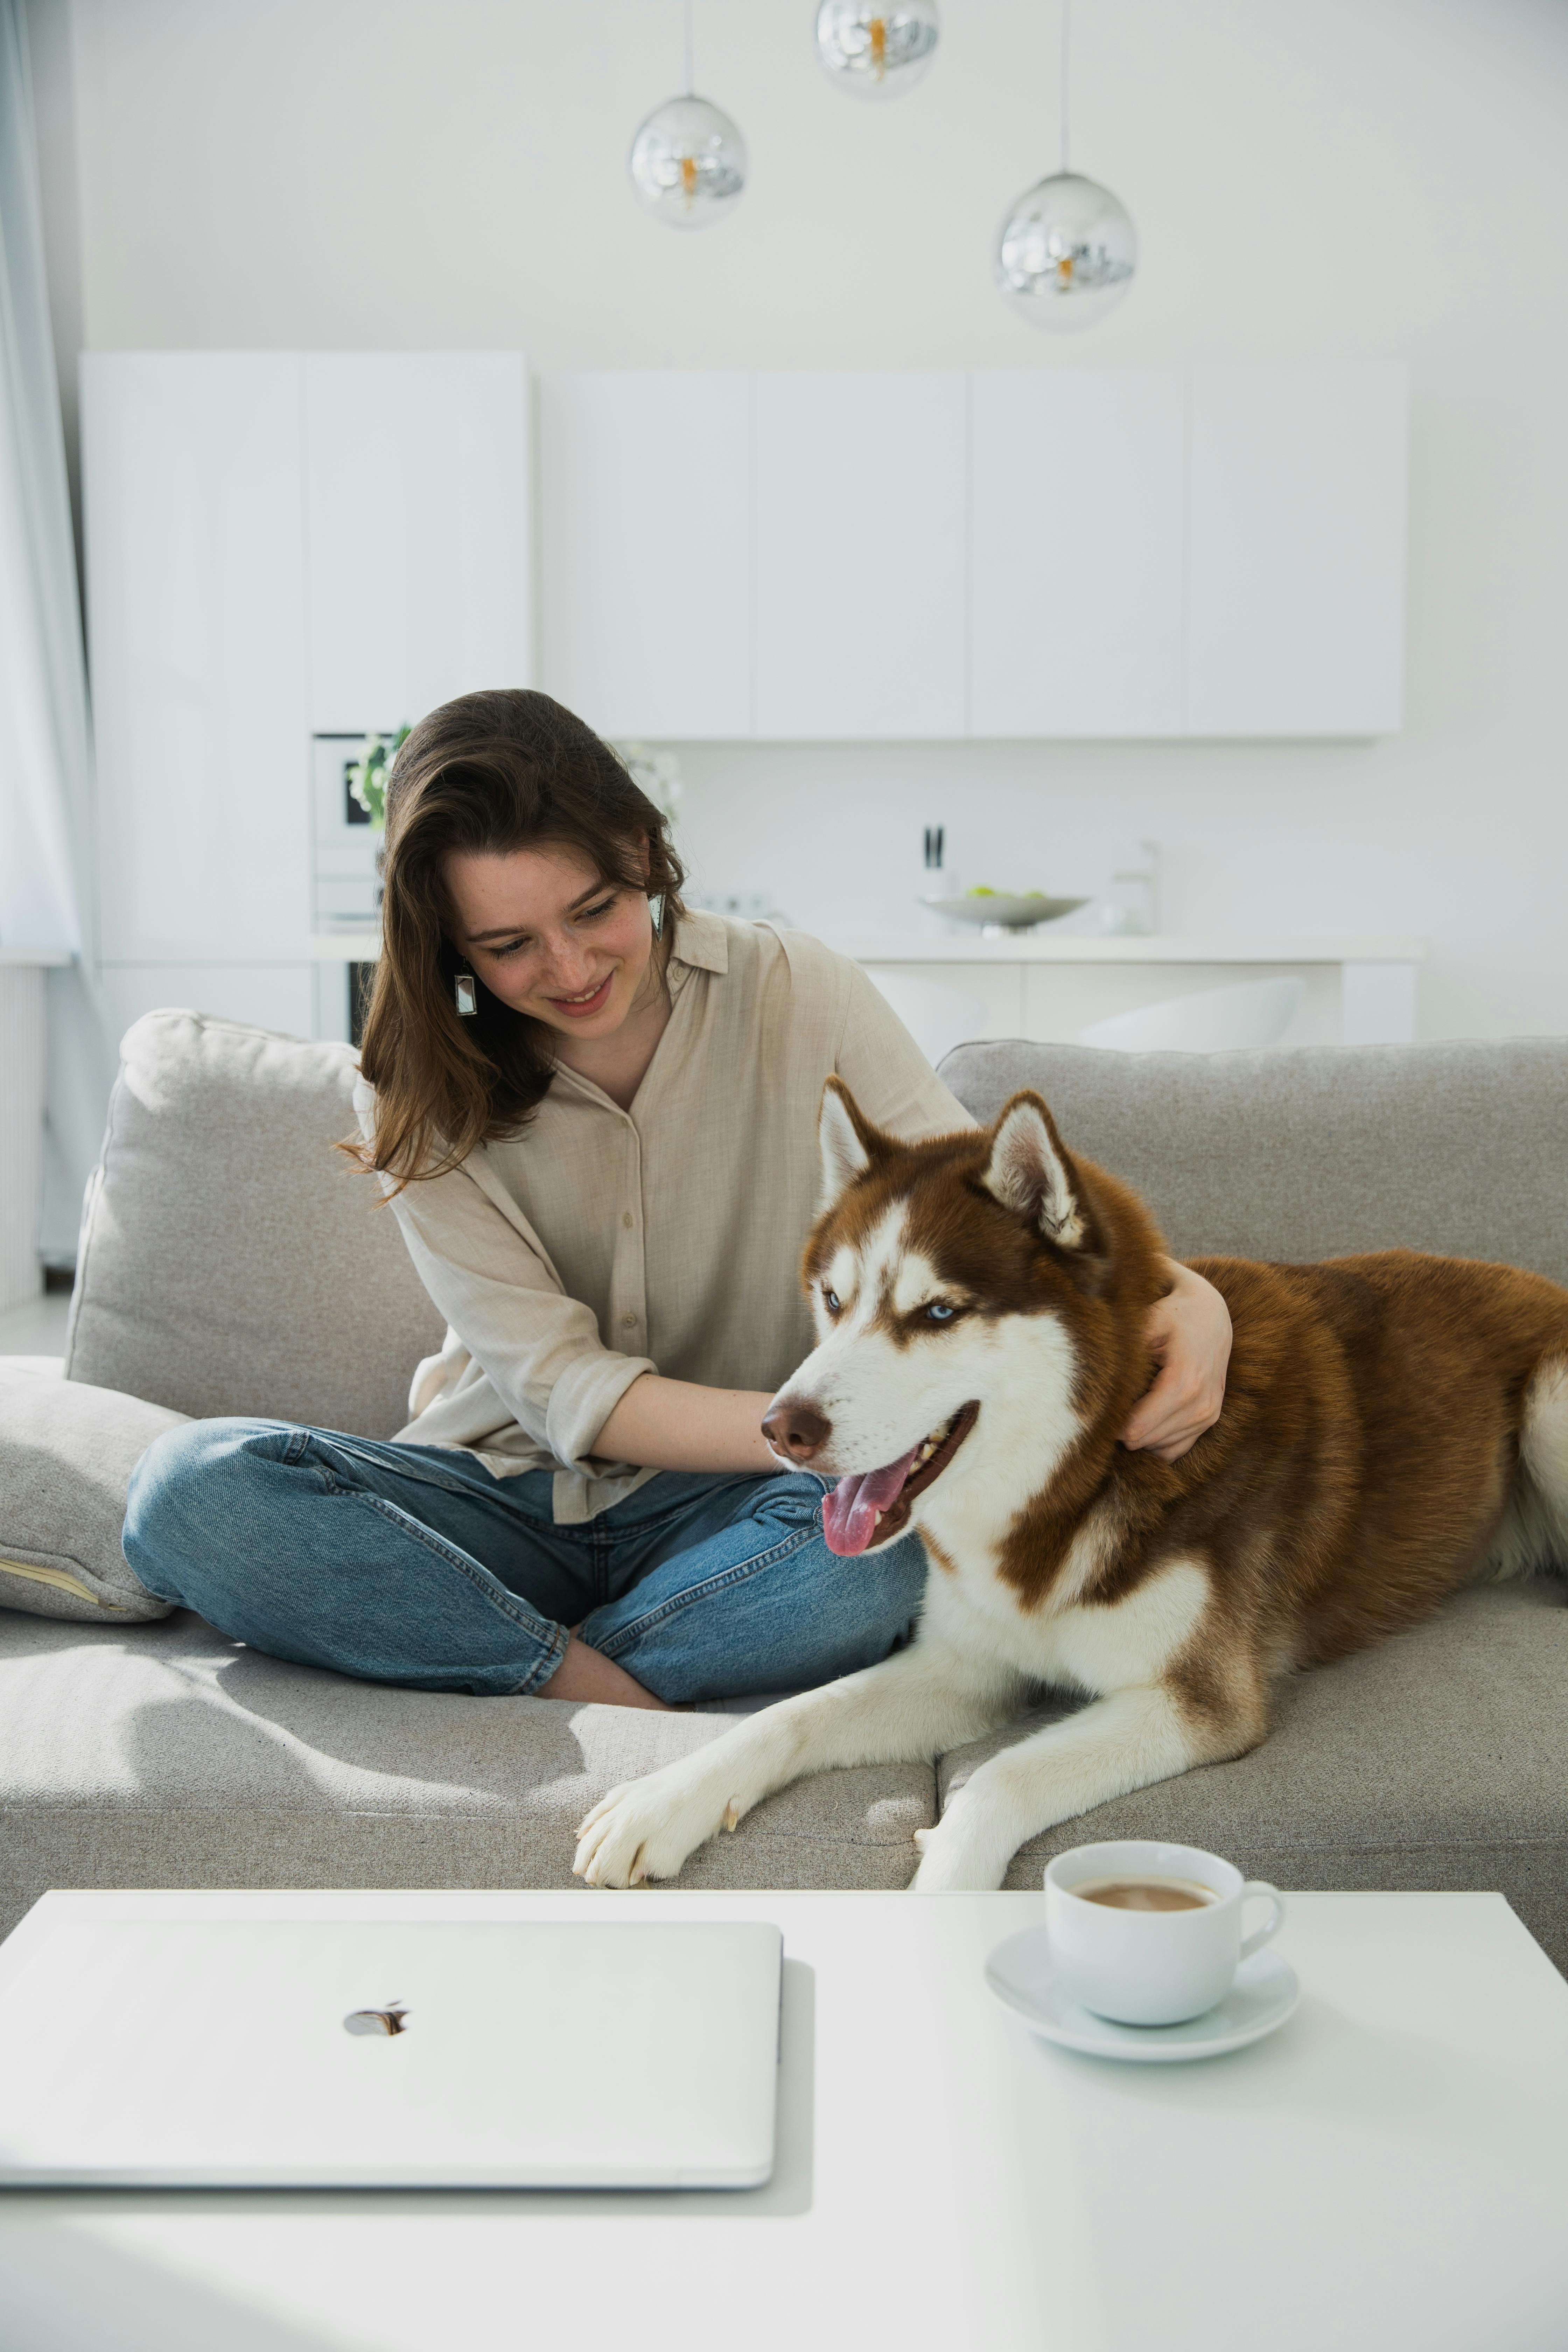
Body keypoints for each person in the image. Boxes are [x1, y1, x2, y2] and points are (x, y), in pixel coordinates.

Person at [124, 690, 1233, 1712]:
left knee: (887, 1561)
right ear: (449, 945)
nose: (568, 968)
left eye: (595, 909)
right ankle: (602, 1694)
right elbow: (569, 1392)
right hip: (501, 1496)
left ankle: (475, 1652)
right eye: (507, 946)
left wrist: (1196, 1303)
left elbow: (979, 1208)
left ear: (647, 856)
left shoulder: (798, 989)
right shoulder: (413, 1091)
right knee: (190, 1493)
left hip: (759, 1505)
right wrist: (814, 1437)